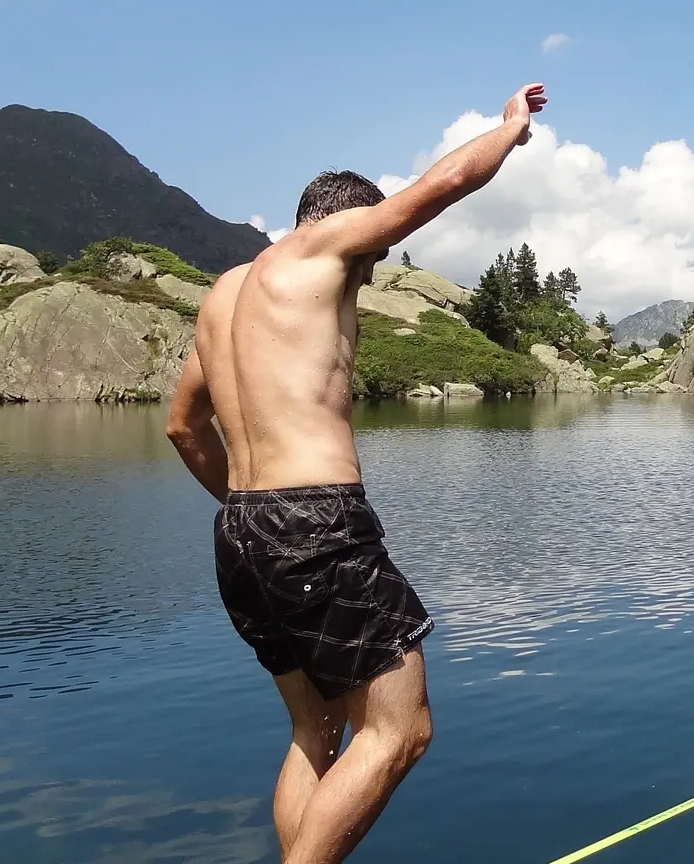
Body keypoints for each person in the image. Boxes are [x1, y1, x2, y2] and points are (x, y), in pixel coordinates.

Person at [165, 83, 548, 864]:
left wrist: (256, 517)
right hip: (315, 520)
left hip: (241, 529)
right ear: (343, 223)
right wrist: (510, 131)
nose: (369, 272)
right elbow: (444, 186)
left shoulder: (223, 296)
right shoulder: (320, 249)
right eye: (371, 255)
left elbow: (181, 425)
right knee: (402, 729)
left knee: (318, 728)